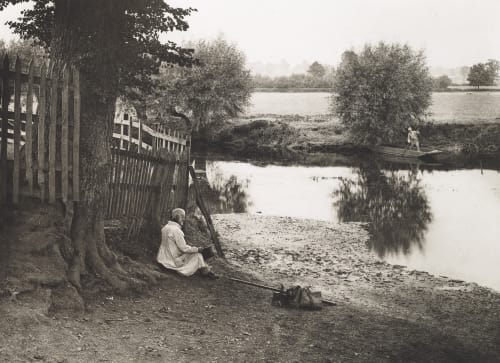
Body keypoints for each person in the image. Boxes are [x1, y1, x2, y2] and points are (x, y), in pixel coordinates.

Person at [157, 208, 217, 278]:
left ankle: (205, 269)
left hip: (163, 259)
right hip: (173, 261)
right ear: (176, 217)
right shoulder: (176, 230)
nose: (183, 219)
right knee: (198, 255)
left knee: (192, 253)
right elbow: (184, 248)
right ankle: (201, 271)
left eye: (183, 217)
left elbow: (176, 247)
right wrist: (197, 249)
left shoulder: (165, 227)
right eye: (182, 217)